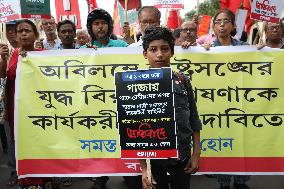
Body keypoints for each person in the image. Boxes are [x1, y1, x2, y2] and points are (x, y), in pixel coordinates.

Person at [140, 26, 202, 189]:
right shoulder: (137, 84)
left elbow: (194, 118)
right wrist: (144, 168)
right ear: (145, 54)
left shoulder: (182, 80)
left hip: (181, 155)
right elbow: (134, 129)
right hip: (153, 158)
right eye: (153, 49)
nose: (159, 54)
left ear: (172, 52)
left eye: (165, 49)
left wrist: (196, 154)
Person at [205, 9, 250, 189]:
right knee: (221, 141)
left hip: (240, 104)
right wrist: (191, 50)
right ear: (214, 27)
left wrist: (263, 52)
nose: (222, 25)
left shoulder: (245, 48)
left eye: (226, 21)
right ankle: (223, 182)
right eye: (218, 22)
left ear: (233, 26)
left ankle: (241, 181)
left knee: (241, 141)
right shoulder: (207, 50)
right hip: (217, 105)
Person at [0, 19, 48, 189]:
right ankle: (26, 180)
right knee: (21, 143)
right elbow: (5, 79)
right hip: (17, 109)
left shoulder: (43, 54)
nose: (23, 34)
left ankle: (43, 180)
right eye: (20, 31)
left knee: (40, 142)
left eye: (27, 30)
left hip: (39, 109)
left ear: (35, 34)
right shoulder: (13, 54)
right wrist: (3, 58)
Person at [0, 21, 19, 187]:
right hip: (8, 104)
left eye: (16, 30)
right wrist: (3, 58)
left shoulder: (31, 50)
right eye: (10, 31)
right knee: (11, 139)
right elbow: (2, 77)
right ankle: (15, 171)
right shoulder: (4, 51)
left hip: (28, 104)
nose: (12, 34)